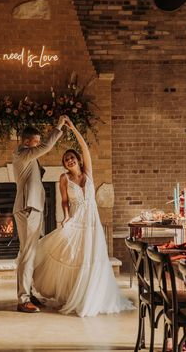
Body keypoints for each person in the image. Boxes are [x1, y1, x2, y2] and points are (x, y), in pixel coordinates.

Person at [32, 117, 134, 317]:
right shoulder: (64, 178)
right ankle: (72, 294)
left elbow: (85, 148)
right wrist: (66, 217)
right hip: (76, 219)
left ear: (77, 160)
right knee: (73, 256)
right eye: (66, 159)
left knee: (93, 257)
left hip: (92, 222)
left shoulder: (88, 173)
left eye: (72, 157)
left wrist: (73, 128)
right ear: (65, 164)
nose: (69, 160)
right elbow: (64, 201)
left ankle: (91, 295)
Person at [13, 115, 67, 313]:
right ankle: (23, 299)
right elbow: (46, 147)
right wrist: (59, 126)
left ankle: (28, 293)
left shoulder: (27, 156)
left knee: (29, 254)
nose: (38, 146)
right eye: (35, 142)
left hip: (31, 208)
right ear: (27, 142)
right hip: (28, 209)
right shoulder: (23, 153)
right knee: (28, 254)